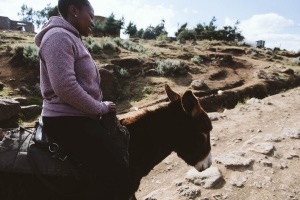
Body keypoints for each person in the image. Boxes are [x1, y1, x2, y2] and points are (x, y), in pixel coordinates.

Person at [34, 0, 130, 199]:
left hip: (78, 116)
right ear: (74, 10)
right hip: (66, 120)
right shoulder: (58, 37)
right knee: (117, 171)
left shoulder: (71, 37)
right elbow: (65, 87)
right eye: (91, 16)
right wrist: (99, 108)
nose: (93, 22)